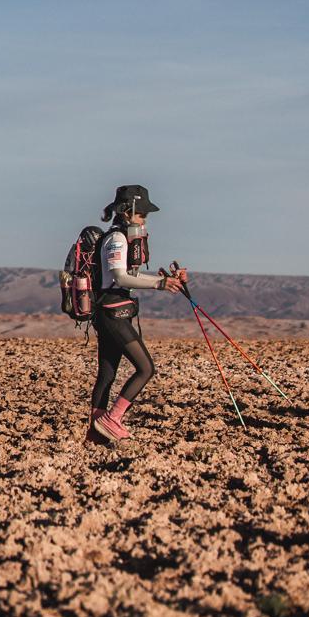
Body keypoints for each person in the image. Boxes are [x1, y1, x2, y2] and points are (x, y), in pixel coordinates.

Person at [89, 185, 185, 446]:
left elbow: (128, 278)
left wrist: (162, 281)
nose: (144, 219)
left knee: (107, 375)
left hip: (113, 312)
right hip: (113, 315)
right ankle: (111, 420)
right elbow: (120, 277)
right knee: (145, 368)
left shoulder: (121, 238)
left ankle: (94, 434)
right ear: (127, 212)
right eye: (142, 214)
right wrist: (159, 284)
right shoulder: (117, 240)